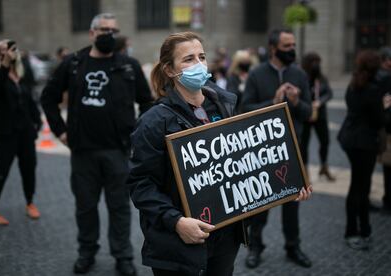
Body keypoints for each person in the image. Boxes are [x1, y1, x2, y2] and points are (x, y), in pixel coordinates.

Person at [127, 31, 313, 276]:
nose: (199, 64)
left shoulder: (225, 107)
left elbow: (245, 165)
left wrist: (288, 184)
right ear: (170, 70)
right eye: (188, 59)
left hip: (225, 238)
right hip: (177, 245)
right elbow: (141, 184)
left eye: (201, 57)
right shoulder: (153, 122)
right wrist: (176, 221)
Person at [40, 13, 153, 275]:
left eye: (114, 31)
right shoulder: (73, 64)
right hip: (83, 152)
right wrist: (61, 132)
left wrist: (139, 133)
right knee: (86, 207)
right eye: (104, 30)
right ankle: (86, 252)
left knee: (120, 207)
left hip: (118, 151)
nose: (109, 35)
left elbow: (147, 102)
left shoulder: (128, 66)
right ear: (92, 33)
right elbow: (48, 97)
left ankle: (123, 256)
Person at [241, 28, 312, 269]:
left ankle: (293, 246)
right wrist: (272, 103)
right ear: (273, 48)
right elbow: (244, 110)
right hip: (263, 153)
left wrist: (295, 102)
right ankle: (256, 247)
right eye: (287, 46)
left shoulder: (300, 74)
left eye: (293, 45)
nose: (292, 50)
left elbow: (309, 112)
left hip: (293, 150)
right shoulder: (256, 74)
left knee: (293, 203)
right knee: (260, 206)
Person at [0, 39, 42, 226]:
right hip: (6, 132)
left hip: (25, 131)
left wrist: (37, 120)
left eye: (10, 49)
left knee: (29, 167)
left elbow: (30, 98)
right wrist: (5, 64)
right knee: (0, 171)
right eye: (2, 50)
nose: (7, 52)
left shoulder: (21, 72)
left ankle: (30, 202)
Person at [337, 50, 384, 250]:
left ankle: (364, 228)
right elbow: (381, 120)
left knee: (360, 186)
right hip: (363, 143)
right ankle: (352, 231)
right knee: (359, 187)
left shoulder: (354, 83)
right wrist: (387, 107)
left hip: (351, 139)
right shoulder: (373, 89)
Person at [300, 52, 335, 181]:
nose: (316, 65)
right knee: (304, 144)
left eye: (318, 62)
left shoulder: (321, 78)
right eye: (313, 62)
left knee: (325, 141)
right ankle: (305, 171)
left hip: (320, 115)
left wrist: (320, 102)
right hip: (306, 115)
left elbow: (329, 93)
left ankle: (324, 166)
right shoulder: (302, 78)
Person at [376, 47, 391, 214]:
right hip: (386, 130)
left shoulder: (382, 77)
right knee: (388, 167)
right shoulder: (383, 77)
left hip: (386, 127)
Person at [226, 50, 252, 114]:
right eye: (244, 61)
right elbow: (231, 97)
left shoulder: (252, 74)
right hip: (239, 112)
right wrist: (241, 88)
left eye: (248, 60)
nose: (247, 63)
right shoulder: (232, 77)